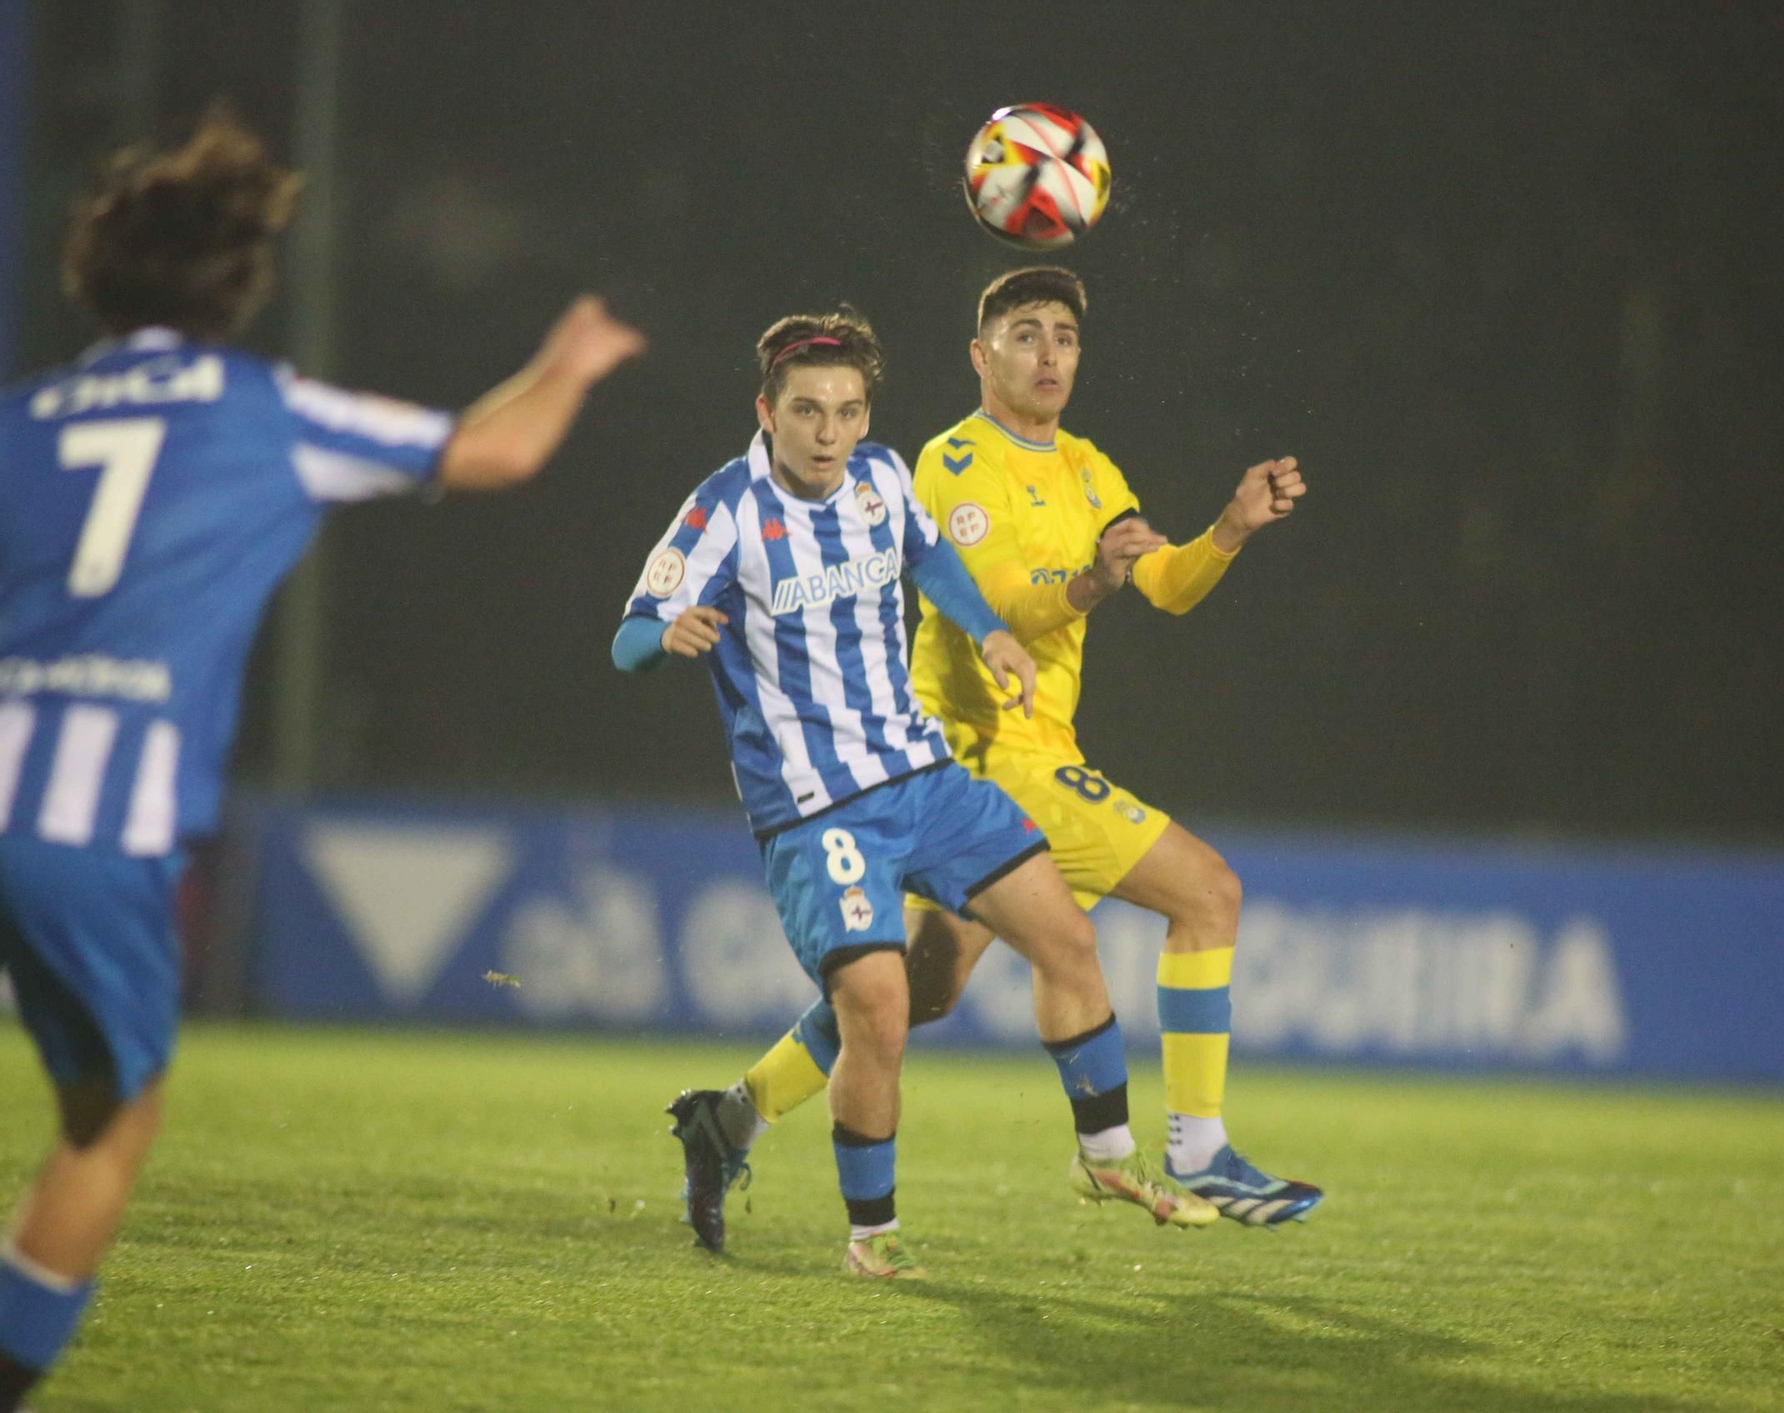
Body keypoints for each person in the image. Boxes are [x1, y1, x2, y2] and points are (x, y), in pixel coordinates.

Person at [0, 109, 643, 1410]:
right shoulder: (260, 410)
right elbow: (496, 448)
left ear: (94, 277)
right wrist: (569, 363)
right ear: (234, 284)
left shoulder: (25, 416)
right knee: (108, 1118)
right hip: (85, 827)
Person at [679, 266, 1321, 1231]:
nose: (1050, 352)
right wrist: (1088, 586)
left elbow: (1168, 586)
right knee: (1209, 892)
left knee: (916, 994)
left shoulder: (1092, 470)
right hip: (967, 753)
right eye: (1026, 334)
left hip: (1034, 746)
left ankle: (730, 1119)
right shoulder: (950, 462)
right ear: (983, 357)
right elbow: (991, 600)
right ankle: (1196, 1144)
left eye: (1064, 334)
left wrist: (1227, 529)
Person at [612, 310, 1215, 1276]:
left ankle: (1106, 1159)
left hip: (924, 778)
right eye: (807, 411)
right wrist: (669, 632)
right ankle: (870, 1239)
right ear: (765, 411)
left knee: (1066, 936)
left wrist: (990, 632)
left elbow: (930, 555)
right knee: (883, 1004)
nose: (828, 432)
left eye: (847, 411)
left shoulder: (885, 476)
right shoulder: (724, 508)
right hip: (817, 810)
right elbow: (628, 636)